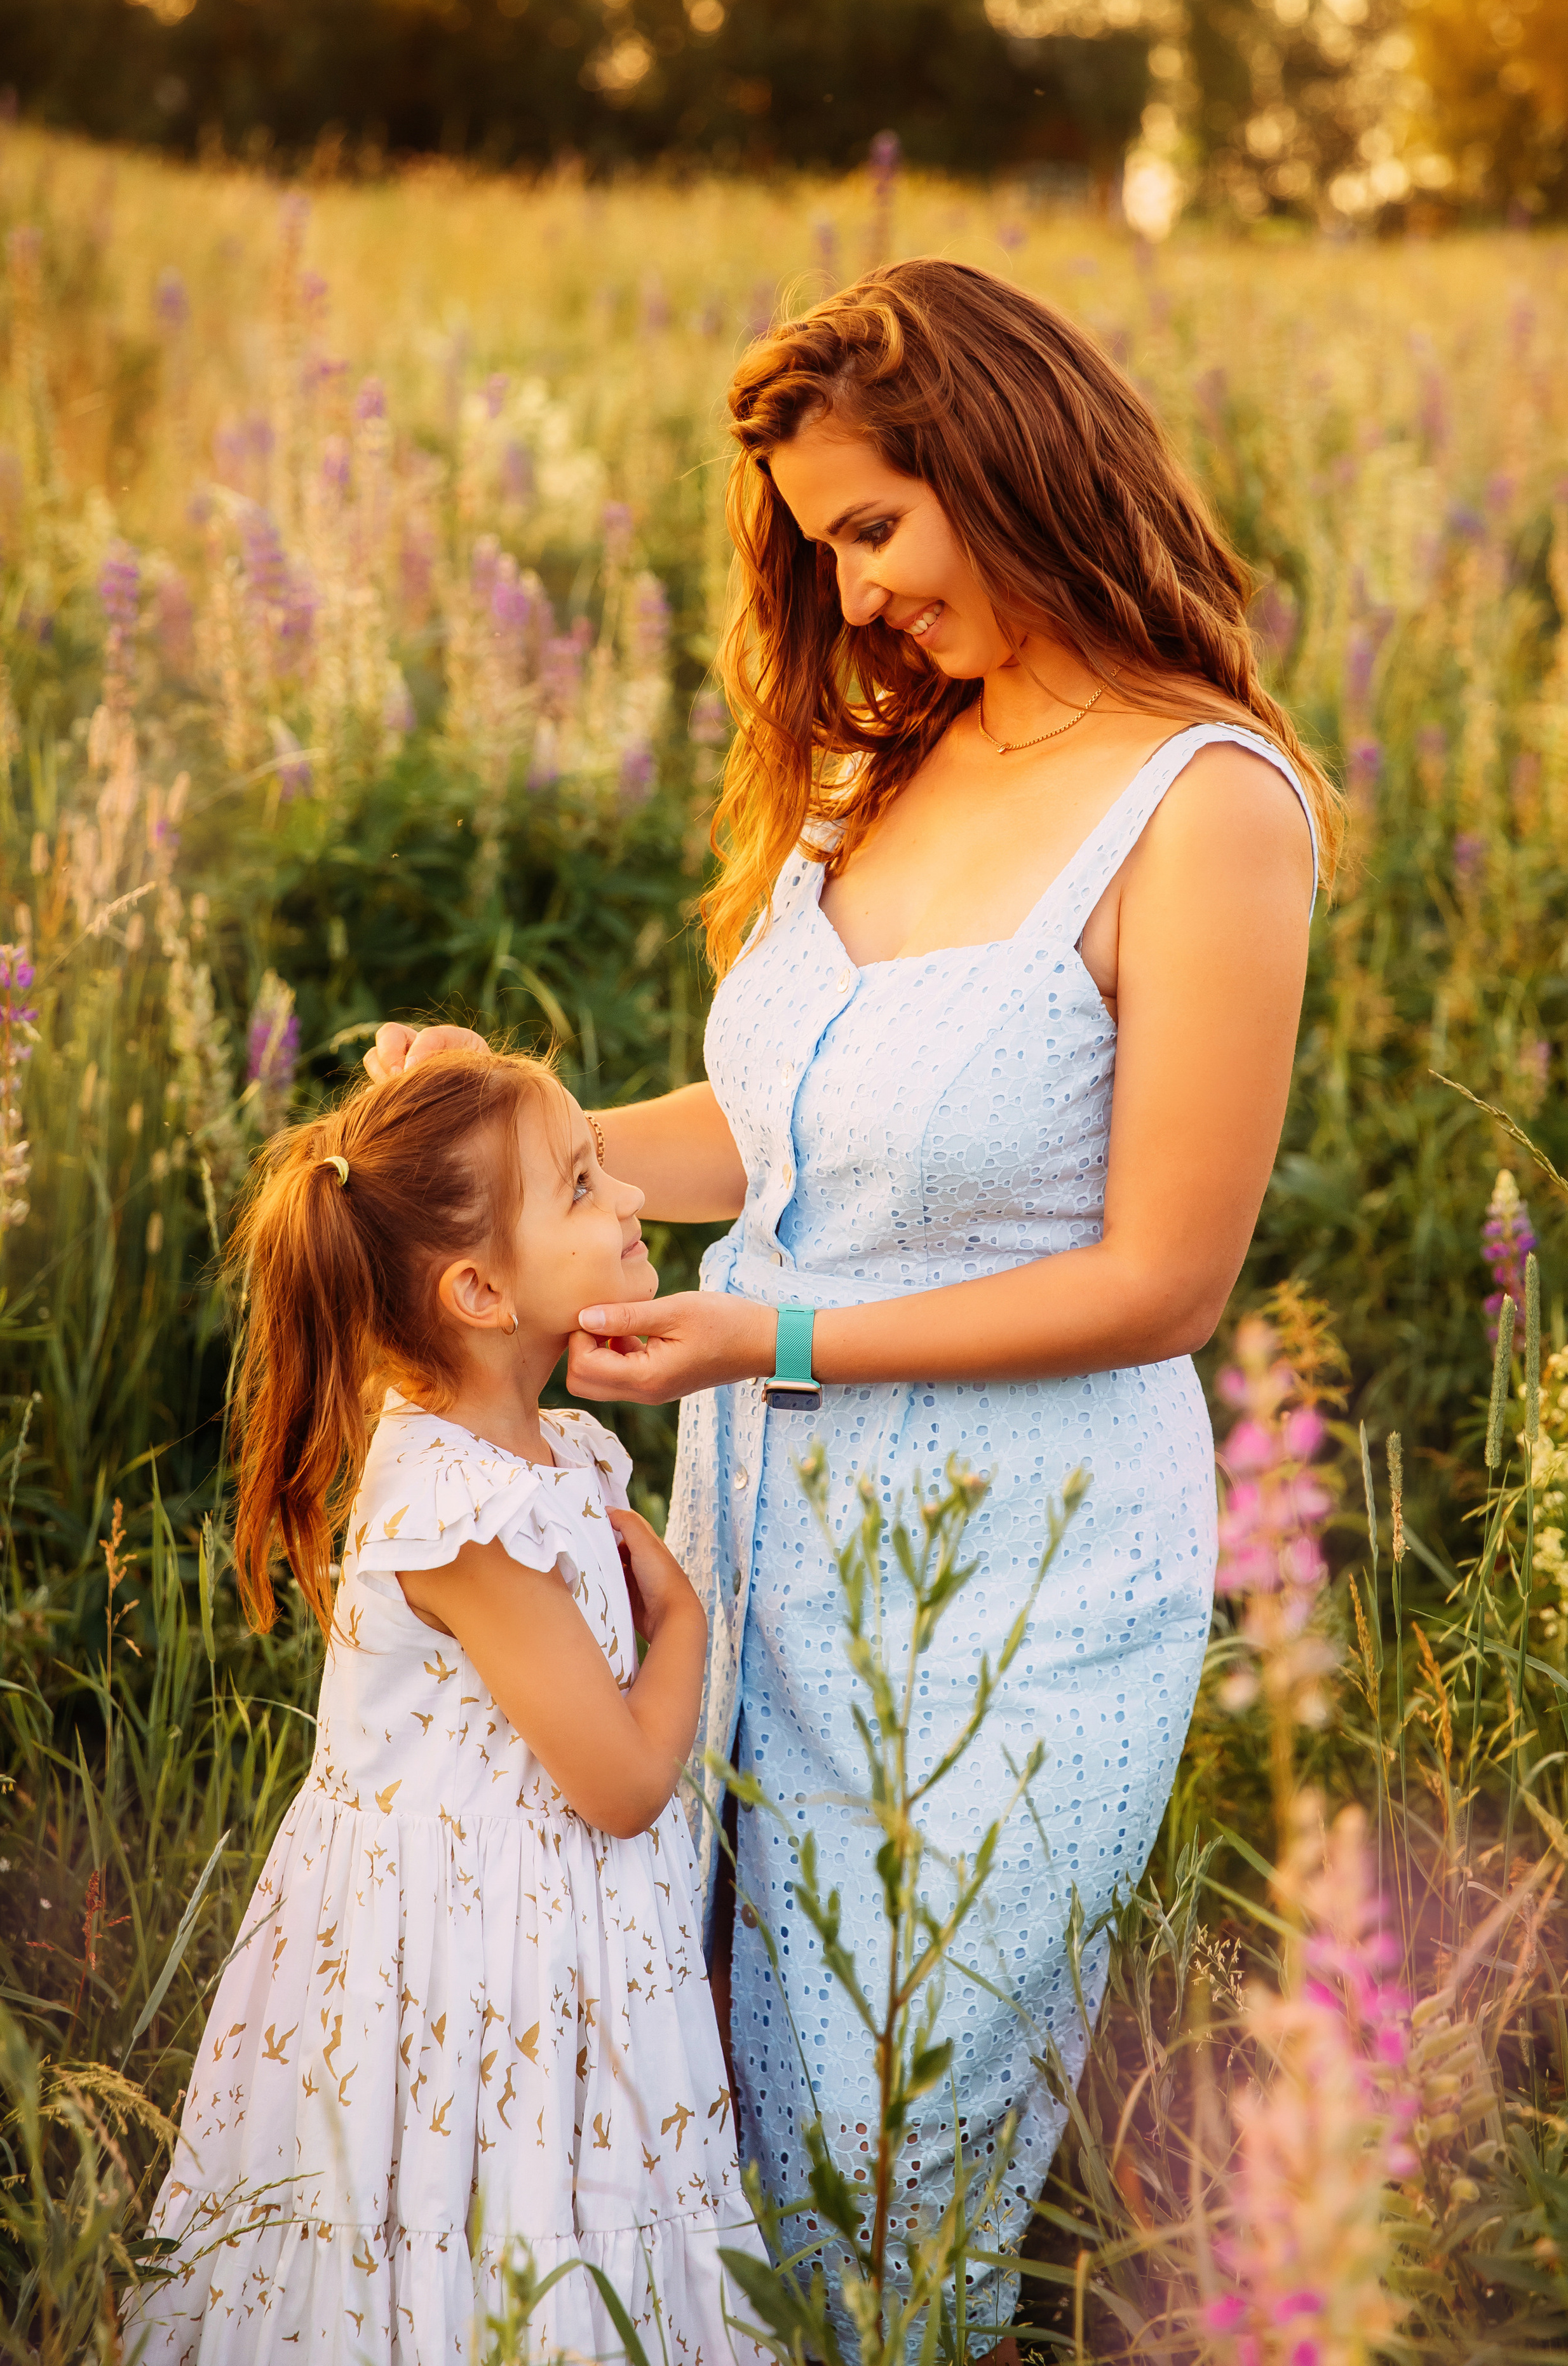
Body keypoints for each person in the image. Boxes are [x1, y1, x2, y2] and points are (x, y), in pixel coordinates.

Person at [366, 257, 1337, 2338]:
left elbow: (1167, 1279)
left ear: (1005, 461)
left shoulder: (1208, 810)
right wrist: (518, 1131)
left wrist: (766, 1339)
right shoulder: (884, 766)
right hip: (760, 1534)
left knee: (900, 2165)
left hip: (1023, 1578)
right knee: (704, 2112)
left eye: (874, 530)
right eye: (825, 551)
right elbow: (769, 1135)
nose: (859, 592)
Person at [128, 1049, 761, 2365]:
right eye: (584, 1187)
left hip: (510, 1933)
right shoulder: (473, 1522)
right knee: (475, 2225)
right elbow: (624, 1784)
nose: (632, 1192)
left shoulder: (518, 1450)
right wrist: (685, 1624)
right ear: (477, 1291)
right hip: (472, 1966)